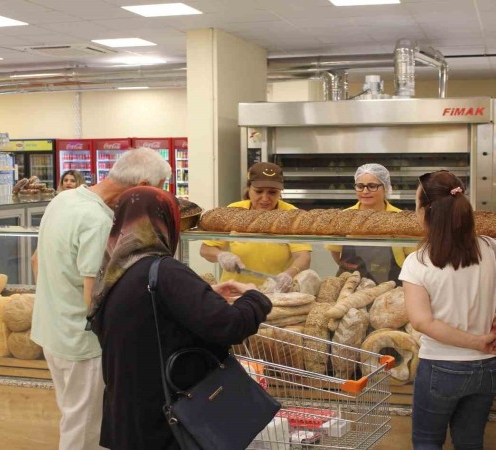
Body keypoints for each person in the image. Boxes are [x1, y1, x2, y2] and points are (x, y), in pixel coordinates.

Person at [88, 186, 272, 450]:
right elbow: (230, 325)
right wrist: (255, 298)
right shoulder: (164, 271)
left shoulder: (112, 273)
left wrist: (202, 295)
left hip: (127, 417)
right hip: (169, 419)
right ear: (166, 221)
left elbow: (146, 318)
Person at [31, 147, 171, 450]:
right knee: (84, 431)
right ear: (142, 185)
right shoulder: (98, 222)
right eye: (158, 190)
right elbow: (93, 297)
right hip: (83, 345)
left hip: (53, 332)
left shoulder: (64, 199)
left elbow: (36, 261)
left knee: (74, 417)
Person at [400, 170, 496, 450]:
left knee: (427, 441)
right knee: (470, 441)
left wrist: (476, 341)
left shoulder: (418, 262)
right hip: (487, 368)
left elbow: (422, 322)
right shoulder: (490, 248)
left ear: (426, 212)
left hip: (440, 366)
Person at [199, 162, 311, 291]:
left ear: (280, 192)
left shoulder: (291, 215)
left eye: (272, 192)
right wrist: (221, 255)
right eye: (258, 191)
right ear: (249, 189)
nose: (265, 198)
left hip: (274, 292)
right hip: (234, 291)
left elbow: (303, 256)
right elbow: (205, 249)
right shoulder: (234, 211)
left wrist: (289, 274)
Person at [326, 164, 411, 283]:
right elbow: (335, 251)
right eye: (360, 186)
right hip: (349, 283)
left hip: (390, 284)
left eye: (372, 186)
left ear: (386, 188)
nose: (365, 191)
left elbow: (411, 258)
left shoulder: (400, 218)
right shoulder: (344, 217)